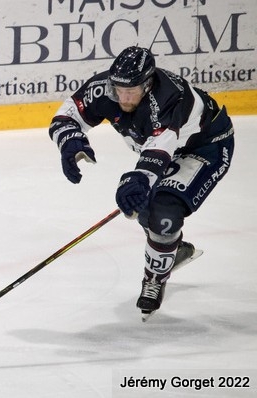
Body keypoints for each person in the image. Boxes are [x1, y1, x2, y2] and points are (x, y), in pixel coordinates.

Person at [48, 46, 235, 319]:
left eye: (131, 91)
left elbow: (159, 149)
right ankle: (173, 249)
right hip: (164, 149)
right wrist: (70, 141)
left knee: (163, 212)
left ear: (147, 85)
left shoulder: (170, 97)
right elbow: (66, 116)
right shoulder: (106, 87)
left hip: (204, 148)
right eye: (118, 90)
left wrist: (136, 180)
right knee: (144, 207)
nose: (122, 97)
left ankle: (155, 278)